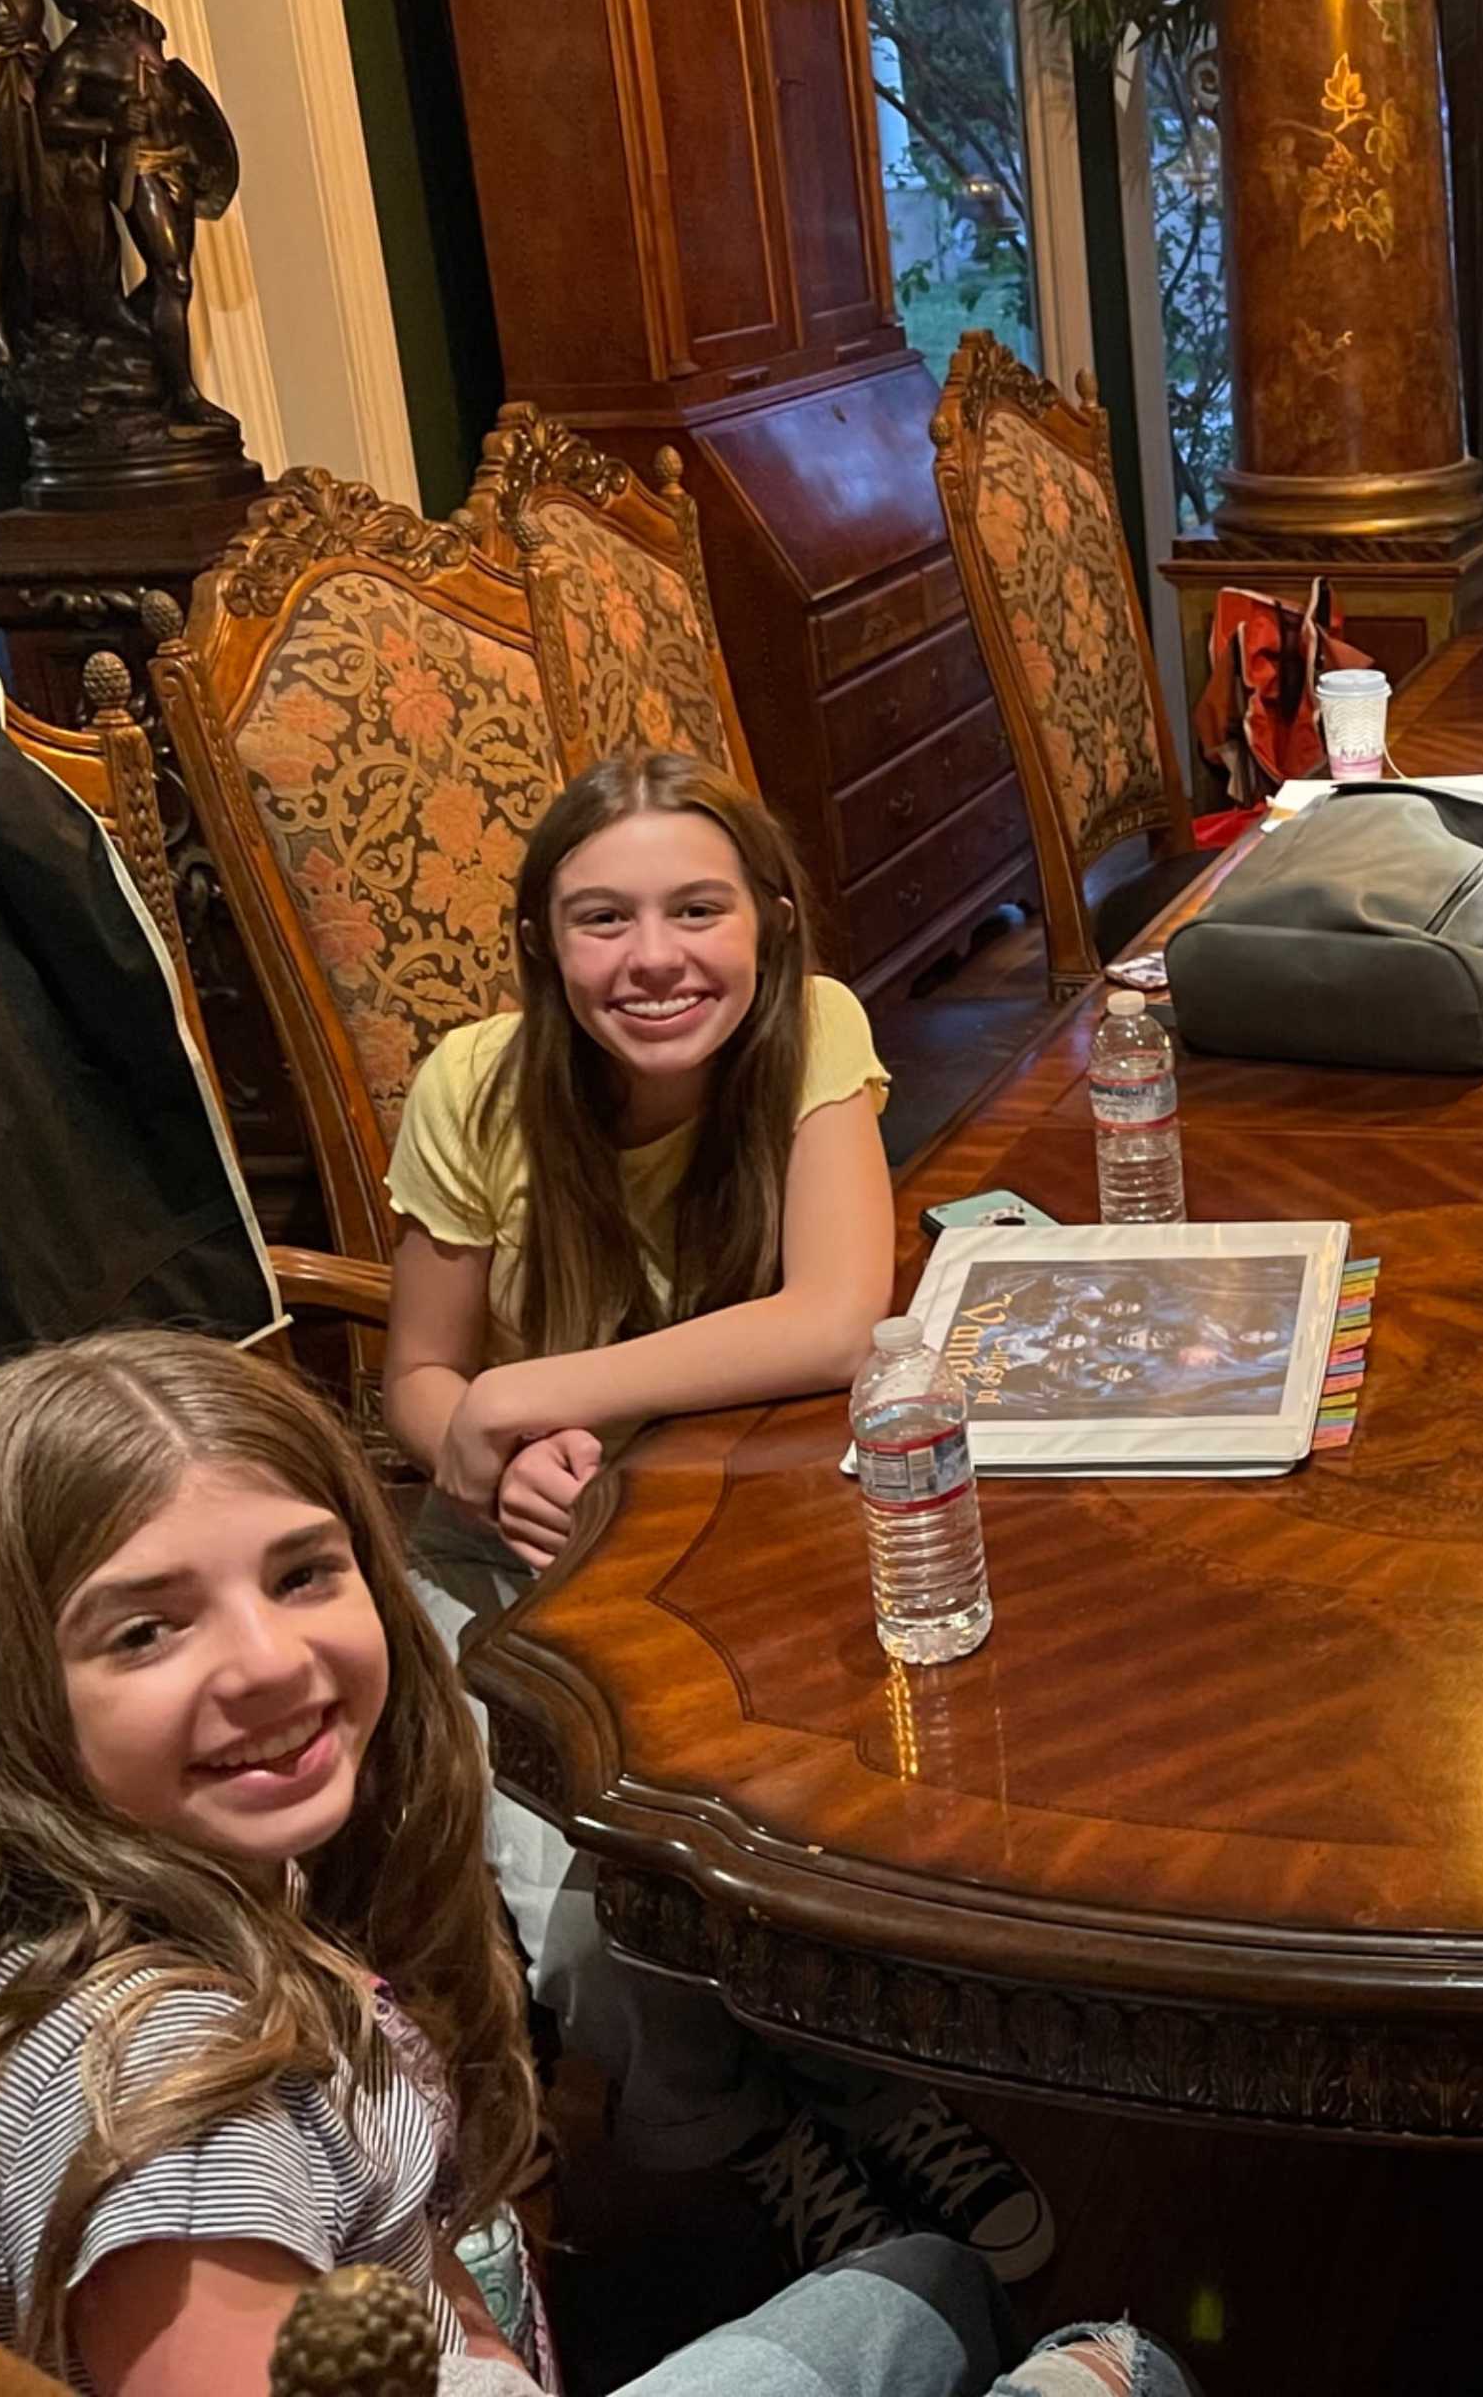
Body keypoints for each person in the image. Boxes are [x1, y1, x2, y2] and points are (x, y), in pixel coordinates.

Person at [0, 1330, 1194, 2397]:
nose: (270, 1663)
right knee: (1119, 2361)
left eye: (301, 1572)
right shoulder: (174, 2118)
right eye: (146, 1628)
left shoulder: (163, 1908)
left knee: (932, 2286)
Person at [382, 750, 1051, 2280]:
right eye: (600, 920)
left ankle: (852, 2067)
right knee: (588, 1877)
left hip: (729, 1527)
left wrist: (532, 1387)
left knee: (833, 1798)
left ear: (767, 920)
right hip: (511, 1558)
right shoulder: (474, 1084)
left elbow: (833, 1320)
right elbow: (420, 1378)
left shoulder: (814, 1032)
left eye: (697, 908)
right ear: (546, 948)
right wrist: (487, 1448)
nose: (655, 958)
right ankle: (748, 2124)